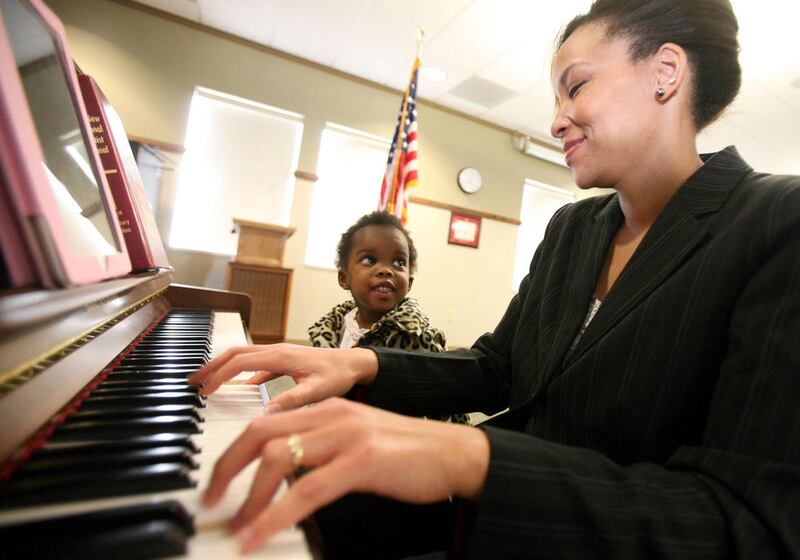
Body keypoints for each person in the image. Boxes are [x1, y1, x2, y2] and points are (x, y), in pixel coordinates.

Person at [189, 0, 800, 557]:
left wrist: (471, 455)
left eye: (576, 87)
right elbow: (499, 366)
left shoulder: (775, 222)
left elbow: (744, 521)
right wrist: (363, 365)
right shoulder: (573, 227)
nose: (557, 121)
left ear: (665, 72)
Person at [307, 210, 468, 424]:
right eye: (369, 260)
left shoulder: (416, 336)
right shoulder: (333, 326)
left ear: (409, 282)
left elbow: (448, 403)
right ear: (344, 278)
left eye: (399, 262)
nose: (385, 270)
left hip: (388, 441)